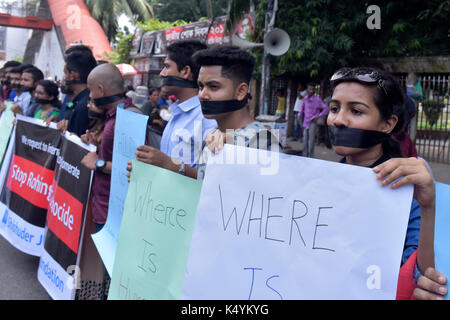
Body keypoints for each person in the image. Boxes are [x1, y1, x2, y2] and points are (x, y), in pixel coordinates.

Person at [327, 66, 446, 300]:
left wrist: (428, 208)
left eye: (356, 111)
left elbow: (422, 277)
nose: (339, 120)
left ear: (387, 124)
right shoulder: (316, 180)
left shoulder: (407, 188)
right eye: (334, 108)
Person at [78, 63, 142, 300]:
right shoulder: (115, 117)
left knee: (117, 277)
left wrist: (99, 163)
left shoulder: (127, 118)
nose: (90, 97)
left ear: (101, 89)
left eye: (91, 91)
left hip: (117, 214)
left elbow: (135, 169)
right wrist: (95, 145)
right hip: (107, 208)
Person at [127, 39, 217, 178]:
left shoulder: (207, 118)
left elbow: (212, 178)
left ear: (185, 71)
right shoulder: (176, 113)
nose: (162, 73)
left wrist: (167, 163)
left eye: (167, 67)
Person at [192, 45, 280, 180]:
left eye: (213, 87)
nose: (202, 95)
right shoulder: (212, 136)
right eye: (201, 86)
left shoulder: (262, 142)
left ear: (241, 92)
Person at [56, 50, 97, 136]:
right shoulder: (77, 101)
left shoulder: (84, 105)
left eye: (65, 73)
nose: (63, 79)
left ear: (73, 76)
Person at [298, 82, 329, 158]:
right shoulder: (305, 99)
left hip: (313, 123)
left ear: (314, 90)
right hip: (305, 122)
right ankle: (304, 156)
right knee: (305, 140)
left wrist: (318, 116)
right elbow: (302, 108)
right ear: (307, 90)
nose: (311, 91)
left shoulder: (317, 100)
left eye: (313, 89)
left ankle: (310, 157)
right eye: (310, 89)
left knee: (311, 142)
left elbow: (326, 108)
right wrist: (299, 115)